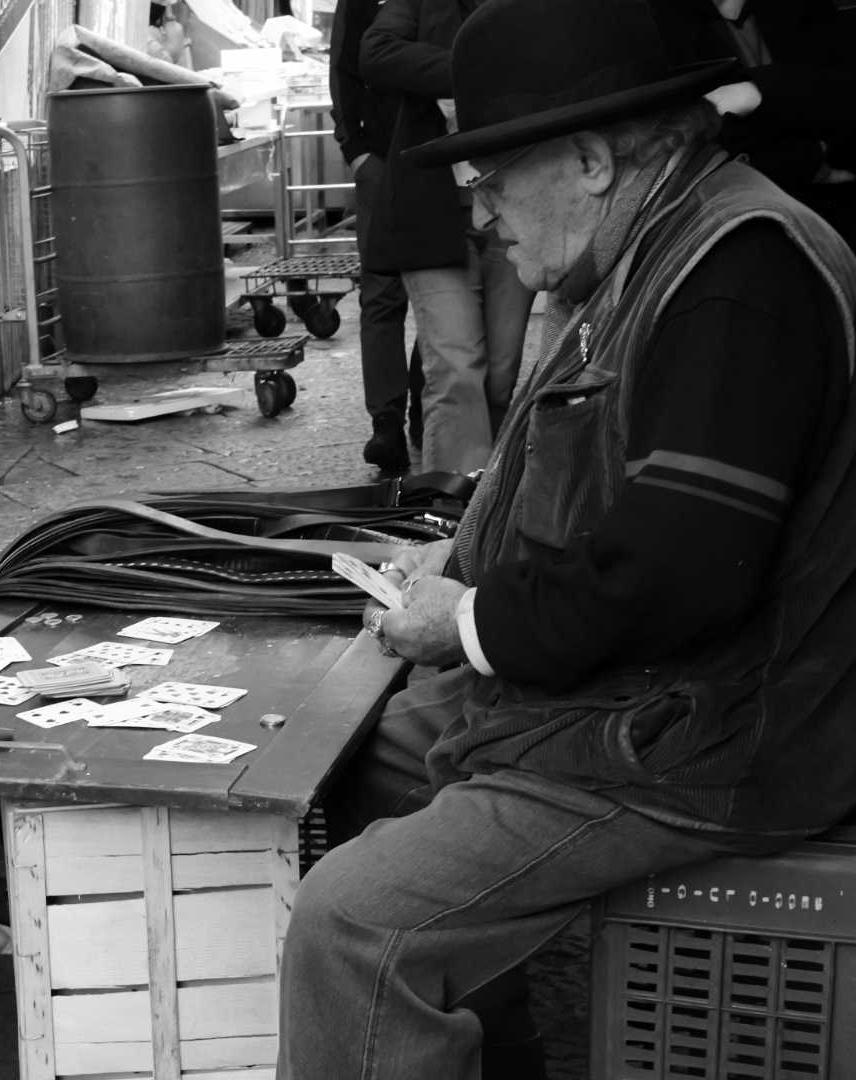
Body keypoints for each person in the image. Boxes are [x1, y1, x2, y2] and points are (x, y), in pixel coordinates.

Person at [277, 1, 856, 1077]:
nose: (481, 213)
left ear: (591, 158)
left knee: (351, 920)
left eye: (492, 179)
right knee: (366, 758)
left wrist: (475, 622)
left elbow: (684, 572)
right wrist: (463, 562)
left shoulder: (740, 272)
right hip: (657, 701)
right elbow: (601, 492)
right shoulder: (655, 246)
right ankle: (485, 1052)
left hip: (703, 742)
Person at [360, 0, 537, 475]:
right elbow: (375, 53)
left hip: (514, 202)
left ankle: (489, 504)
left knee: (500, 374)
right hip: (432, 209)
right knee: (457, 369)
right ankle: (451, 515)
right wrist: (466, 72)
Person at [649, 0, 856, 247]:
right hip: (745, 232)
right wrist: (803, 158)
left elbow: (847, 88)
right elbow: (695, 148)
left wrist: (753, 93)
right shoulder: (654, 21)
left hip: (843, 207)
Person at [331, 0, 422, 471]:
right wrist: (357, 153)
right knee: (382, 294)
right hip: (380, 162)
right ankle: (387, 421)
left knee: (446, 289)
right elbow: (344, 67)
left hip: (436, 157)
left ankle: (427, 404)